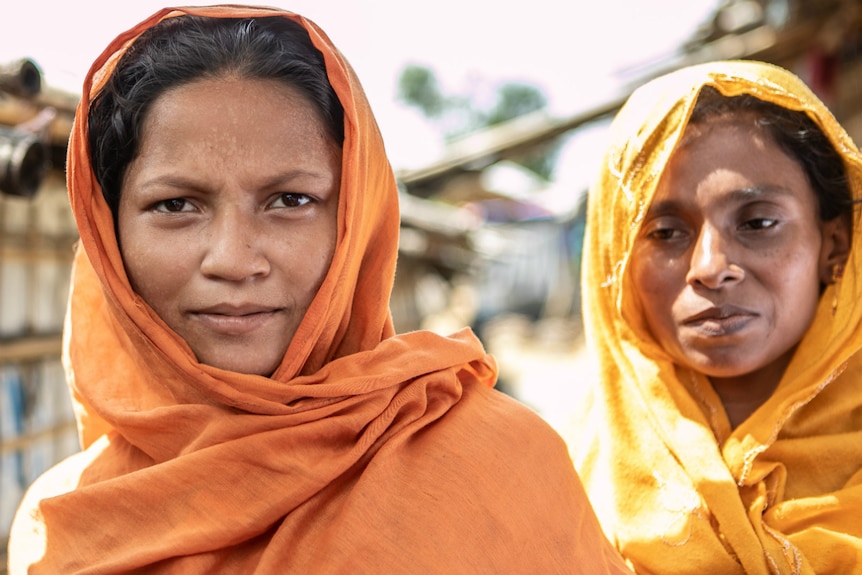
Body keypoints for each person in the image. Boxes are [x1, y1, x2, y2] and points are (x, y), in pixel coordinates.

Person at [7, 5, 632, 574]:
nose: (233, 259)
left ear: (356, 219)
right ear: (109, 231)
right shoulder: (64, 520)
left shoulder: (498, 470)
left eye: (291, 200)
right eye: (176, 204)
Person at [566, 59, 862, 574]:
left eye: (758, 222)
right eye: (664, 232)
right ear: (617, 259)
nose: (709, 268)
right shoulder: (558, 480)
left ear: (833, 241)